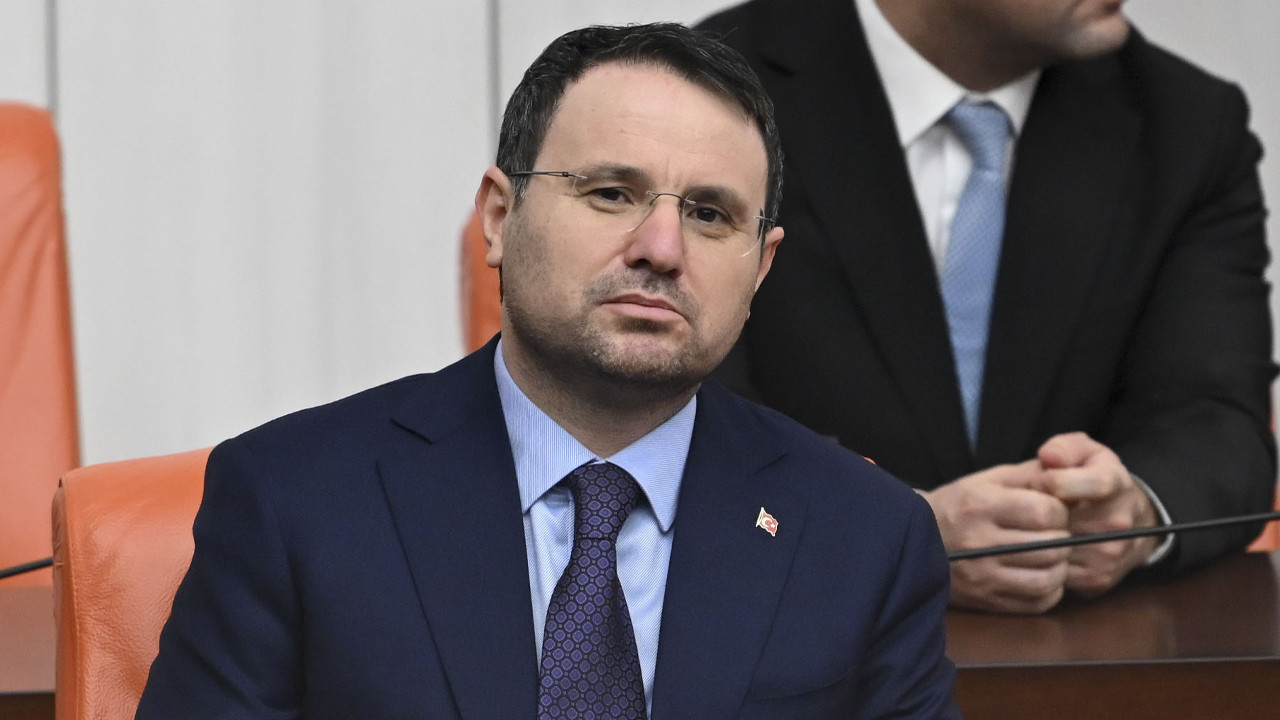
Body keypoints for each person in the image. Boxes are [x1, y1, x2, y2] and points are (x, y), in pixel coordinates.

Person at [135, 23, 960, 719]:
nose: (662, 249)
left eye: (709, 214)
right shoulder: (294, 499)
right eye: (611, 193)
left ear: (761, 268)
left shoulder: (866, 538)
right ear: (500, 218)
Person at [696, 0, 1277, 614]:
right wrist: (900, 529)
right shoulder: (705, 96)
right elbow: (679, 413)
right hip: (779, 623)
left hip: (1086, 643)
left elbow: (1218, 421)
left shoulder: (1188, 124)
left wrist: (1135, 510)